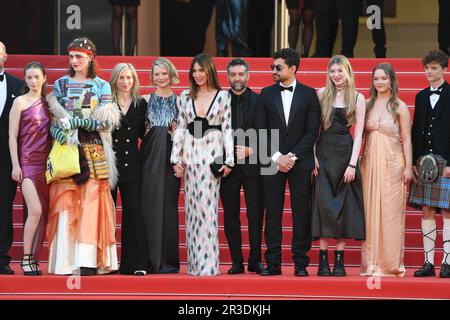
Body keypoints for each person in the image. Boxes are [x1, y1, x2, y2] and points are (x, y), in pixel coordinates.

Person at [46, 37, 121, 276]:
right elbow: (53, 120)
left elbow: (107, 120)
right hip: (68, 151)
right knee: (67, 202)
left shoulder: (102, 85)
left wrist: (78, 121)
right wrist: (57, 131)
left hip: (94, 149)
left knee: (91, 204)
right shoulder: (60, 84)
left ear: (90, 57)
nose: (74, 60)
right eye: (71, 56)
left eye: (79, 56)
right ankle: (66, 261)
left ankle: (88, 260)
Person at [256, 48, 320, 277]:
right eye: (272, 67)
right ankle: (273, 263)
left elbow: (312, 132)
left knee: (301, 212)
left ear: (292, 69)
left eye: (278, 67)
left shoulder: (309, 94)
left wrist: (291, 157)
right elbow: (260, 130)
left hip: (299, 163)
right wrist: (277, 158)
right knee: (272, 213)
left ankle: (301, 263)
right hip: (271, 161)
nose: (274, 70)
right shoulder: (265, 94)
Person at [170, 53, 234, 276]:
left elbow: (227, 128)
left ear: (210, 71)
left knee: (207, 210)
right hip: (190, 155)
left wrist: (229, 161)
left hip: (212, 156)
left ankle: (209, 265)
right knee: (191, 211)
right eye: (194, 71)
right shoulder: (184, 97)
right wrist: (175, 158)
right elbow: (180, 128)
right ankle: (195, 265)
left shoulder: (223, 97)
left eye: (201, 70)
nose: (198, 74)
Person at [312, 55, 365, 277]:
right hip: (323, 155)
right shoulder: (321, 94)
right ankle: (323, 259)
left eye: (340, 71)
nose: (336, 75)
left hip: (345, 156)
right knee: (323, 207)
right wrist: (312, 156)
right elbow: (313, 130)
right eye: (332, 71)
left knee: (344, 207)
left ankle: (339, 260)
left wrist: (353, 164)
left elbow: (360, 133)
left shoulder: (358, 98)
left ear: (347, 72)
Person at [360, 63, 413, 277]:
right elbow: (357, 137)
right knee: (369, 211)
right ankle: (371, 263)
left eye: (383, 78)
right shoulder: (365, 104)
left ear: (391, 80)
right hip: (369, 162)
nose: (379, 82)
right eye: (376, 79)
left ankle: (390, 264)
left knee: (391, 213)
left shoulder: (400, 106)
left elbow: (407, 139)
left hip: (393, 163)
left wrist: (409, 167)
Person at [220, 58, 264, 275]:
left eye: (240, 74)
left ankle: (255, 260)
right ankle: (236, 261)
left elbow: (268, 131)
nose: (237, 78)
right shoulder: (220, 100)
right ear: (228, 77)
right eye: (233, 75)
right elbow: (209, 132)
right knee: (231, 215)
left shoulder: (259, 101)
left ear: (248, 76)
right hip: (228, 169)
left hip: (253, 167)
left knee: (255, 215)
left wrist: (252, 150)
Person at [409, 50, 450, 278]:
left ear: (443, 68)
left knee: (447, 210)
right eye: (426, 68)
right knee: (426, 209)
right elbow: (416, 130)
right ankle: (428, 263)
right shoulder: (420, 96)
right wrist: (414, 160)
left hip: (446, 161)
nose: (429, 72)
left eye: (434, 68)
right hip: (424, 162)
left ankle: (447, 262)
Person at [8, 62, 51, 275]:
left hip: (47, 166)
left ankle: (34, 259)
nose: (33, 81)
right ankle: (26, 258)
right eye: (29, 78)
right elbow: (12, 136)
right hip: (26, 163)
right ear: (25, 80)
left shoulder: (49, 104)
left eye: (37, 77)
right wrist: (15, 165)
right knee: (35, 210)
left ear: (44, 78)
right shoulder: (19, 102)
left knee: (43, 214)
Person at [141, 57, 181, 274]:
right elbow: (139, 131)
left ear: (171, 74)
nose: (160, 77)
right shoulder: (144, 100)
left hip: (171, 158)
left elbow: (184, 133)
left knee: (168, 206)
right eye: (156, 74)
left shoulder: (180, 101)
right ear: (152, 76)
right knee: (149, 207)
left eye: (164, 73)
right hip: (149, 158)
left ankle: (167, 261)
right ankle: (149, 260)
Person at [110, 63, 147, 275]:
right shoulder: (107, 103)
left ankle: (136, 264)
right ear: (115, 79)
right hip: (110, 166)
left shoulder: (141, 104)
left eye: (129, 78)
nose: (126, 82)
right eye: (122, 78)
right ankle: (106, 262)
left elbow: (145, 134)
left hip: (133, 165)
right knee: (107, 215)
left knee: (133, 214)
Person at [0, 41, 25, 275]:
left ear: (5, 56)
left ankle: (1, 258)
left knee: (4, 208)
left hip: (6, 159)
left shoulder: (19, 86)